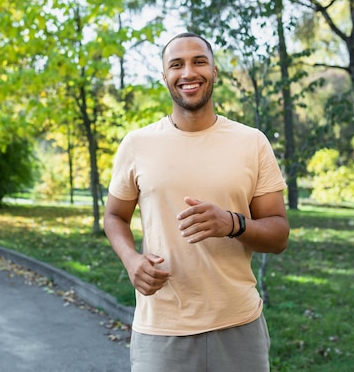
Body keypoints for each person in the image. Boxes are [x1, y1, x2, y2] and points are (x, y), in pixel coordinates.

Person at [103, 32, 290, 372]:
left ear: (214, 72)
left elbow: (278, 236)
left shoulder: (252, 143)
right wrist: (131, 260)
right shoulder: (137, 144)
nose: (188, 72)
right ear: (165, 77)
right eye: (177, 65)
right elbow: (114, 216)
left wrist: (233, 224)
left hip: (238, 326)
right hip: (161, 329)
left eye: (199, 61)